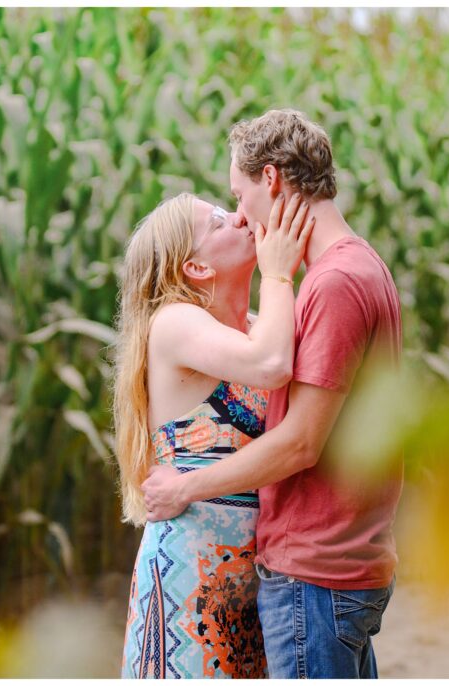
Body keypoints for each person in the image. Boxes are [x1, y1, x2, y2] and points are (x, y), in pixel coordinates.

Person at [141, 109, 404, 679]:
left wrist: (278, 276)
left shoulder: (330, 284)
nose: (239, 215)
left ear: (272, 182)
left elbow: (300, 441)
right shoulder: (352, 272)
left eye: (238, 195)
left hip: (315, 568)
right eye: (222, 216)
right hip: (266, 573)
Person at [115, 187, 314, 678]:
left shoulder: (251, 327)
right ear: (197, 268)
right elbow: (271, 365)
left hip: (252, 579)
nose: (241, 219)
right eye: (219, 222)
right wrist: (277, 272)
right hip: (193, 574)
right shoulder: (176, 322)